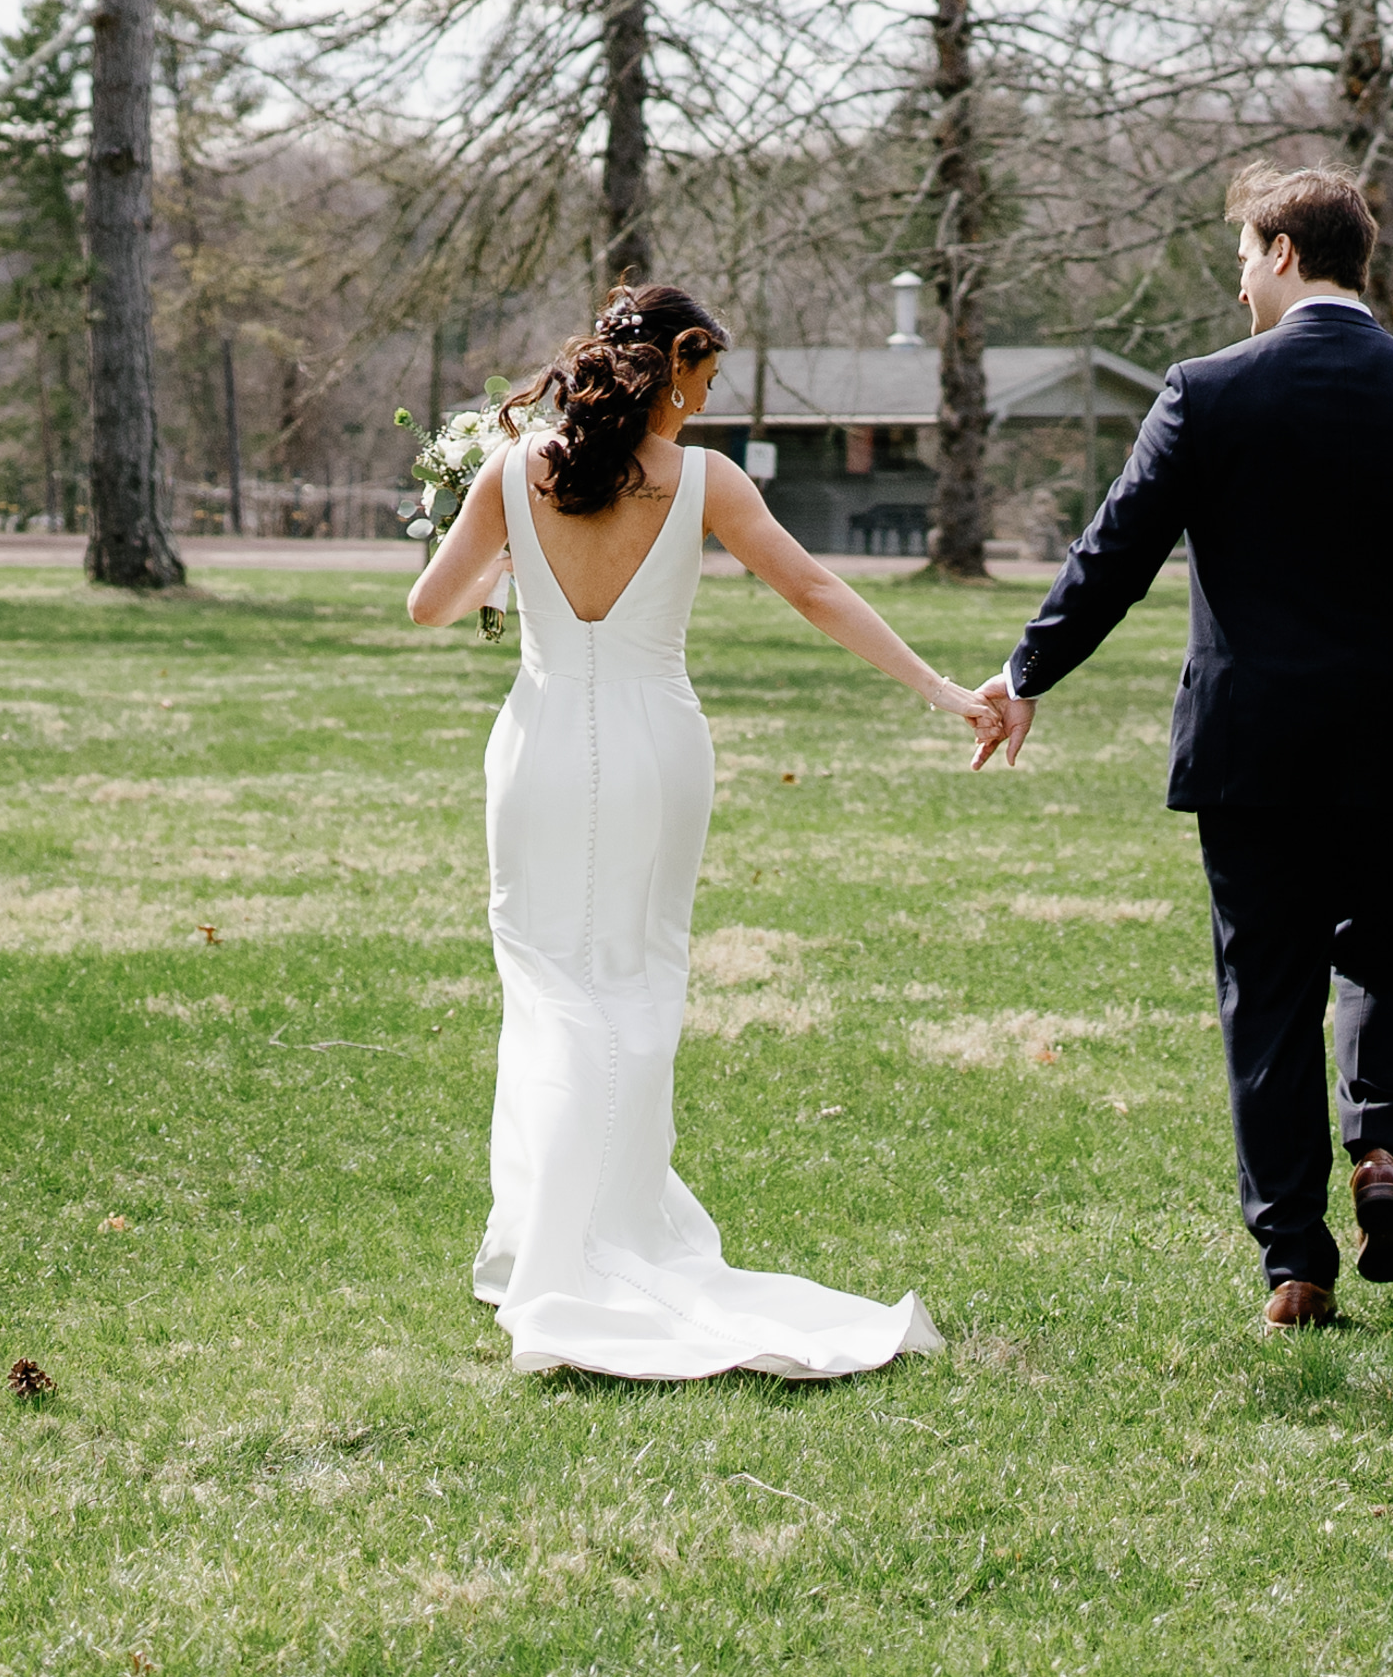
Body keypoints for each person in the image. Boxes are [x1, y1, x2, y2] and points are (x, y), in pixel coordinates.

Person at [967, 168, 1393, 1330]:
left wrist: (1026, 671)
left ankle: (1297, 1260)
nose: (1238, 274)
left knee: (1267, 992)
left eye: (1243, 251)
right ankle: (1380, 1143)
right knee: (1382, 949)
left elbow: (1115, 552)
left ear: (1285, 251)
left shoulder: (1206, 392)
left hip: (1251, 748)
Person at [403, 283, 985, 1378]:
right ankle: (606, 1233)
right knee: (633, 982)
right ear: (674, 361)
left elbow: (429, 606)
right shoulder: (707, 481)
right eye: (704, 379)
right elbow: (812, 589)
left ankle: (557, 1246)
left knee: (549, 987)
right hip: (658, 756)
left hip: (534, 753)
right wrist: (940, 687)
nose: (702, 402)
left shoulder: (508, 469)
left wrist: (504, 547)